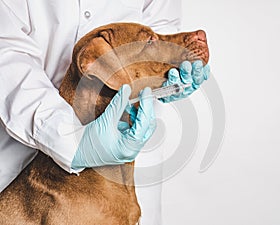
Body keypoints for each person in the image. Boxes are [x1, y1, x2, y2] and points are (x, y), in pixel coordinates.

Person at [0, 0, 209, 224]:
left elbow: (160, 28)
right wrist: (71, 137)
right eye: (150, 41)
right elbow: (6, 53)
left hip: (124, 167)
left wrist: (168, 72)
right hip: (22, 150)